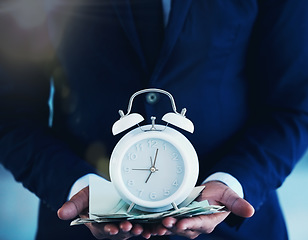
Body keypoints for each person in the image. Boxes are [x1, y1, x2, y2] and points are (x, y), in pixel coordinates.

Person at [1, 0, 308, 239]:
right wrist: (76, 186)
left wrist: (232, 182)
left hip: (235, 228)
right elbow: (11, 113)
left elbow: (294, 104)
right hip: (79, 224)